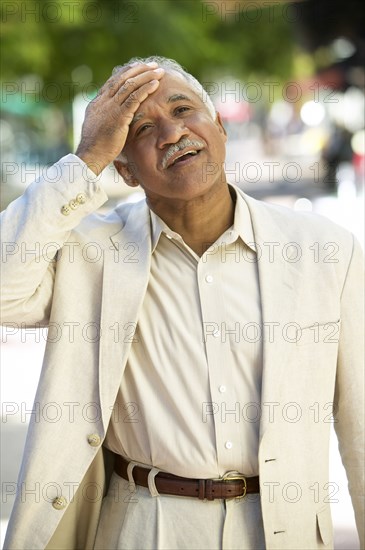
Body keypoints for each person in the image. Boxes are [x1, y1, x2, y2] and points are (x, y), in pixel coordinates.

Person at [1, 56, 363, 550]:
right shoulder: (89, 254)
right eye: (142, 127)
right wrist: (84, 161)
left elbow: (360, 425)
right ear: (123, 169)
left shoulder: (325, 252)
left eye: (183, 109)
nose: (172, 134)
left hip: (284, 533)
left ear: (219, 128)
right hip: (142, 529)